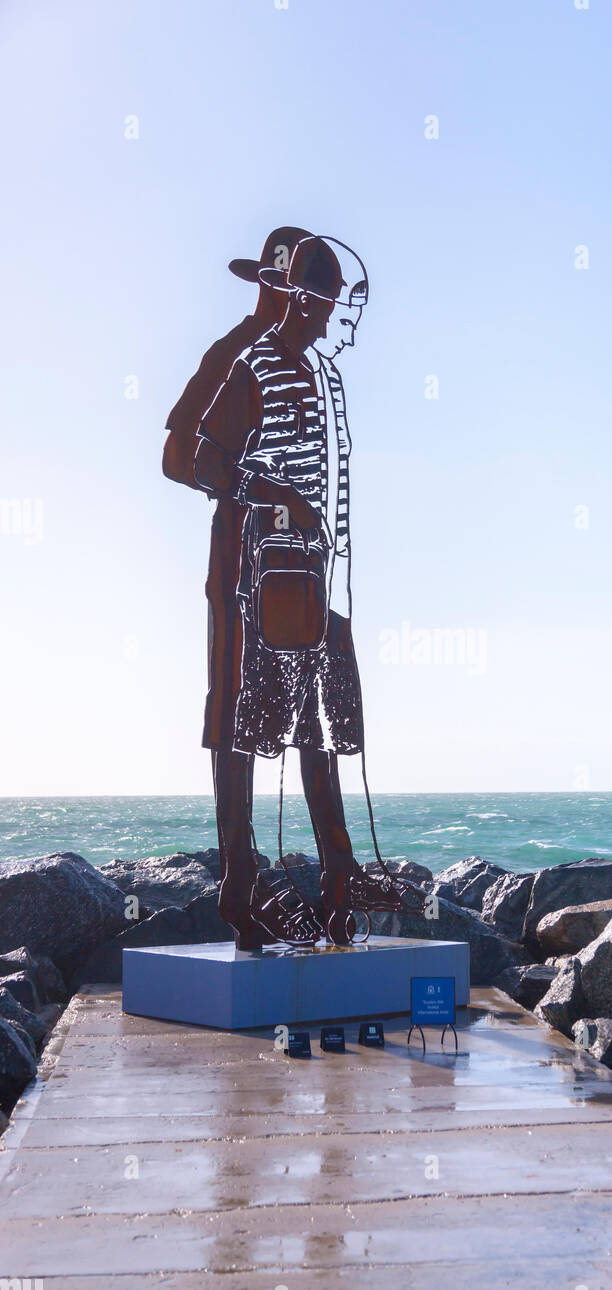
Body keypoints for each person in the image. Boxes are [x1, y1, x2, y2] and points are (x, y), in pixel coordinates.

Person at [168, 230, 372, 948]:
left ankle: (339, 880)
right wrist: (273, 492)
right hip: (251, 570)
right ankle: (241, 886)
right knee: (241, 719)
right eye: (317, 299)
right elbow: (187, 458)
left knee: (319, 720)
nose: (327, 315)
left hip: (313, 576)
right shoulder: (245, 363)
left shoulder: (319, 375)